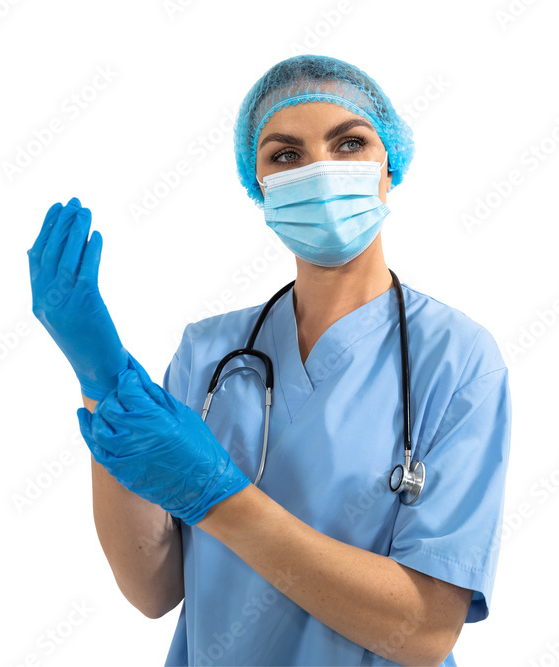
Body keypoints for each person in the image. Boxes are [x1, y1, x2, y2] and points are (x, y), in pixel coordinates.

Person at [27, 54, 512, 666]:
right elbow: (152, 589)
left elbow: (424, 631)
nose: (320, 172)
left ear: (389, 166)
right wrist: (101, 379)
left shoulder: (458, 359)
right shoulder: (208, 353)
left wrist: (221, 500)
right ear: (258, 187)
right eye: (286, 155)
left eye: (349, 143)